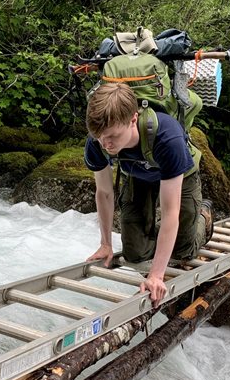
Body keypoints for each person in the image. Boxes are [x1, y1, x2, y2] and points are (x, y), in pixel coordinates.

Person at [84, 81, 213, 307]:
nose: (105, 144)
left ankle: (204, 215)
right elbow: (104, 193)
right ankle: (155, 234)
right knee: (135, 254)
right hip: (138, 175)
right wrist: (106, 244)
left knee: (183, 250)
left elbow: (170, 211)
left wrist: (157, 275)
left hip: (179, 175)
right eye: (100, 137)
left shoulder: (167, 136)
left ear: (133, 119)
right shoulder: (98, 141)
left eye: (112, 136)